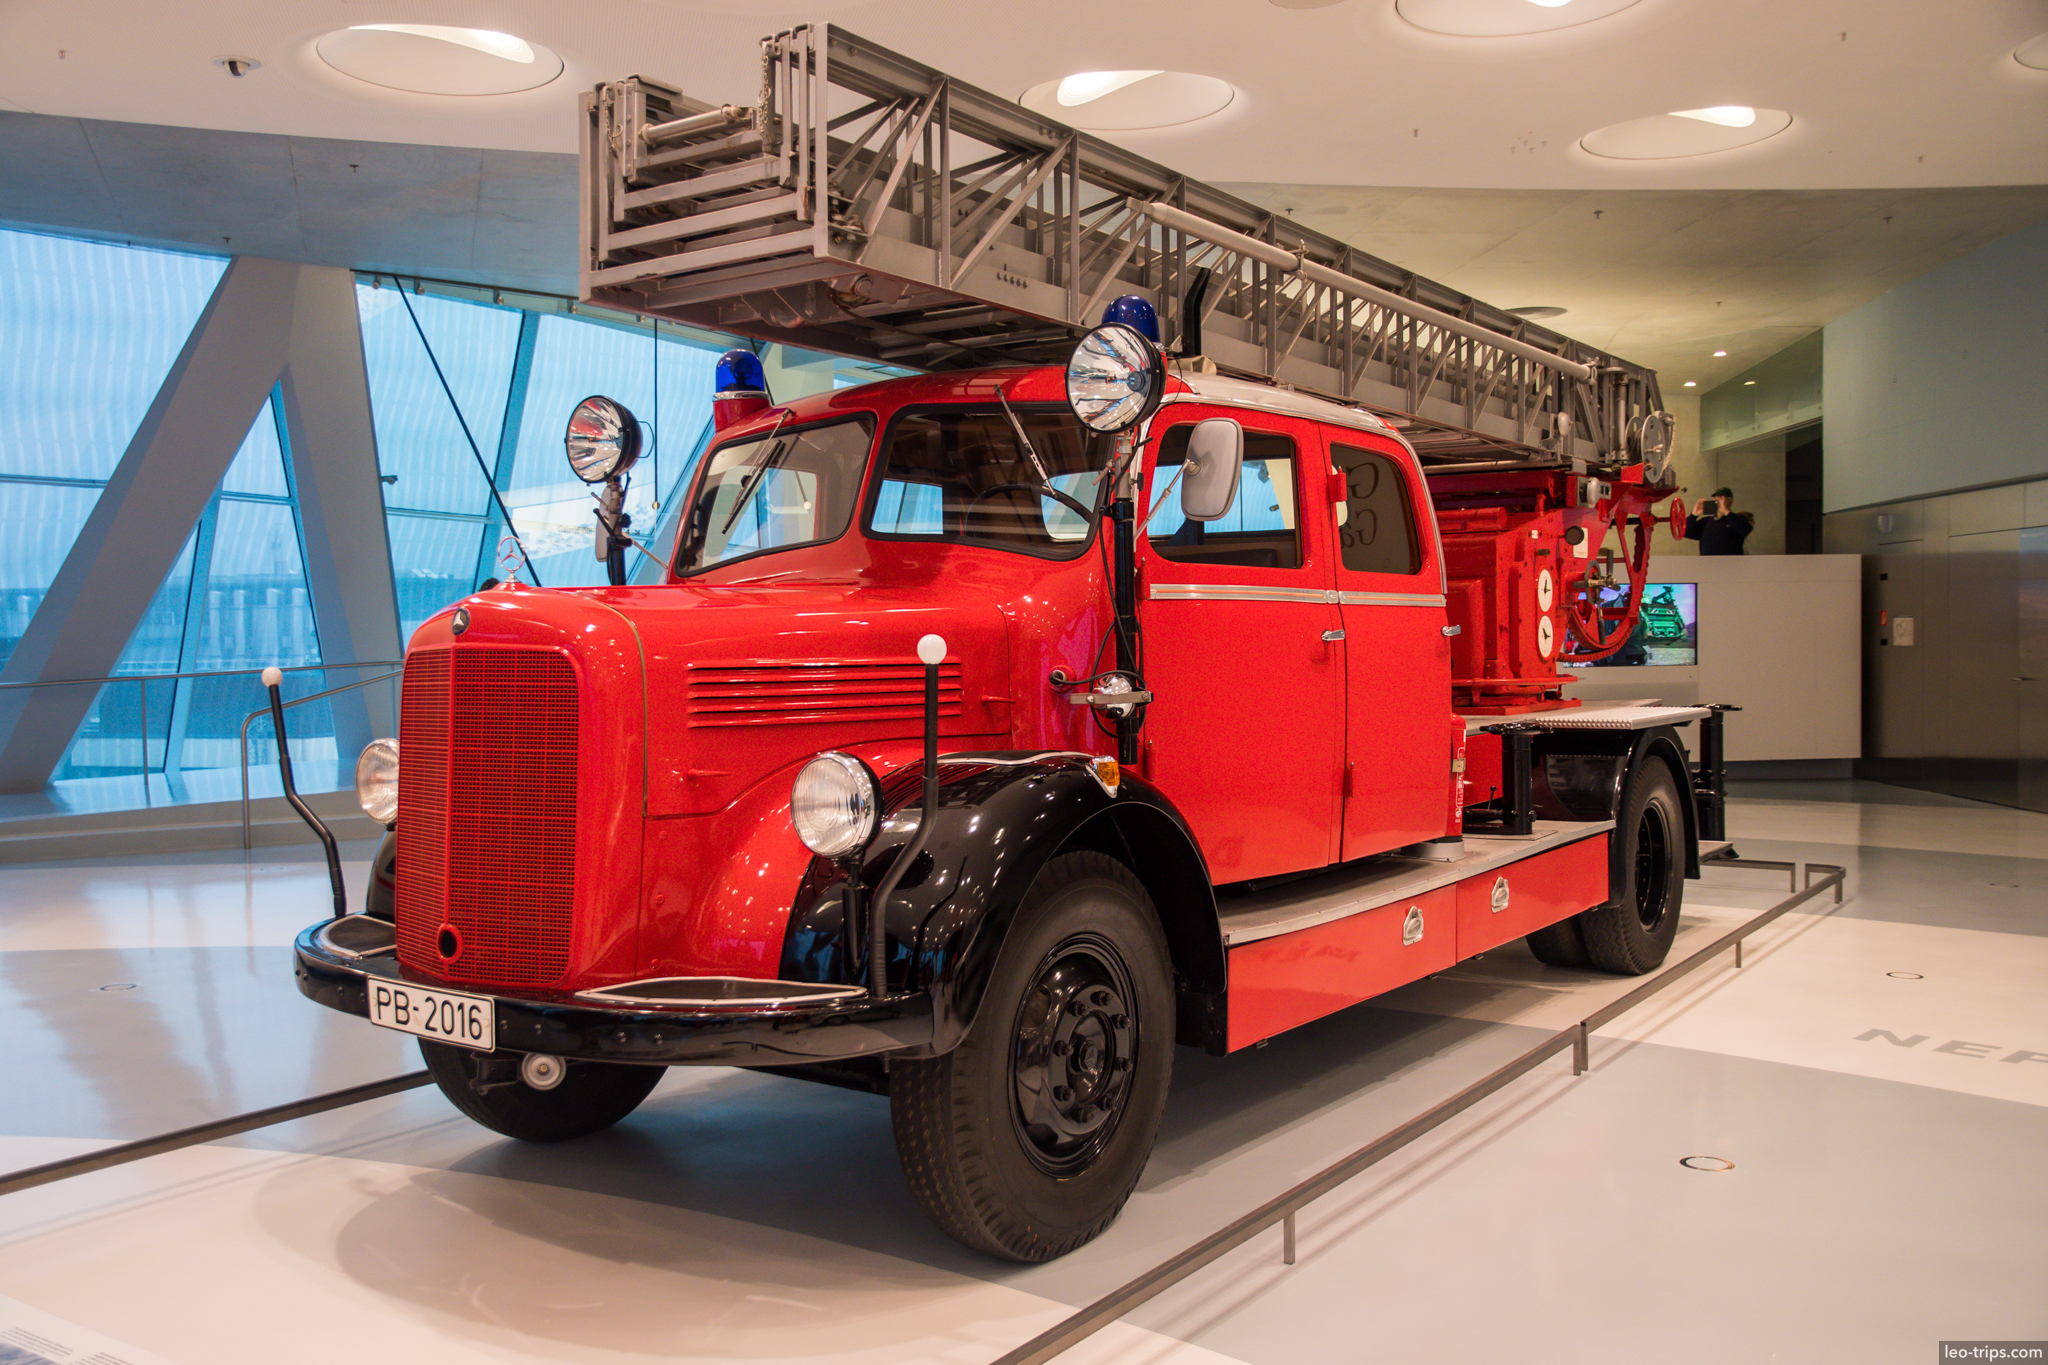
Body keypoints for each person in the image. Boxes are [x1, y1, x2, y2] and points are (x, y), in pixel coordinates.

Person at [1686, 486, 1754, 556]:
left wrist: (1726, 511)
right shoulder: (1706, 521)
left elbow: (1745, 529)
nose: (1718, 501)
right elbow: (1686, 532)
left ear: (1730, 501)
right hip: (1708, 564)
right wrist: (1694, 515)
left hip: (1732, 564)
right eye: (1716, 498)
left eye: (1722, 498)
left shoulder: (1737, 519)